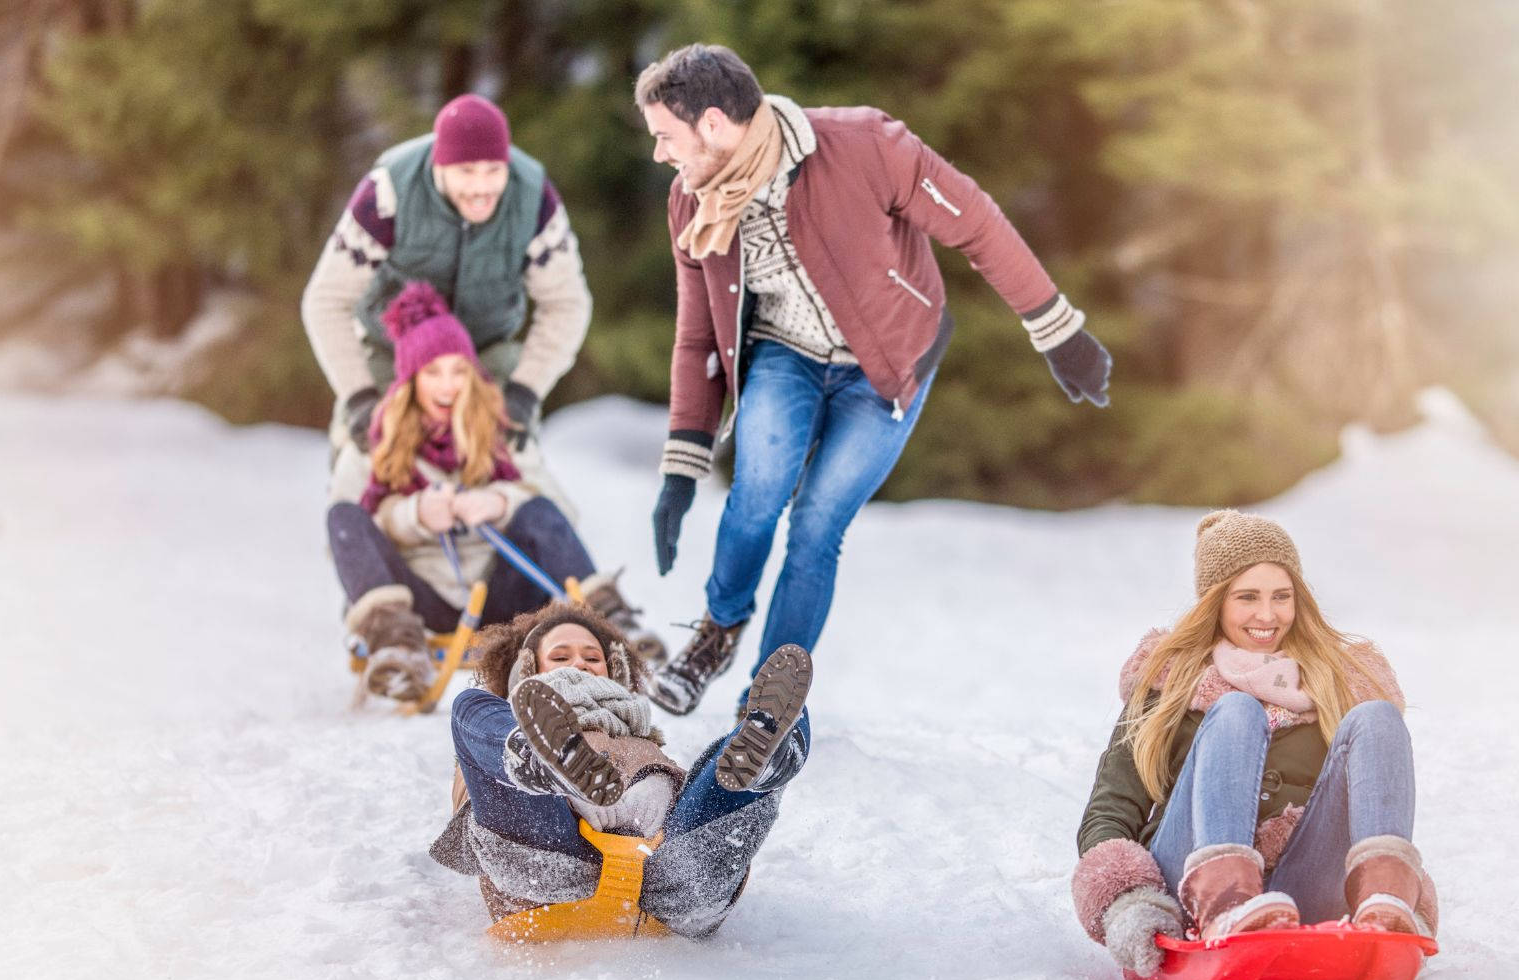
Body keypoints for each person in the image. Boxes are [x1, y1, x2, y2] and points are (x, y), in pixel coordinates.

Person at [633, 43, 1115, 719]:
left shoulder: (864, 145)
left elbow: (976, 224)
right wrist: (683, 462)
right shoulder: (693, 204)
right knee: (756, 496)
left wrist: (1056, 328)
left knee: (817, 526)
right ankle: (717, 630)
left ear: (713, 125)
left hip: (885, 367)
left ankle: (768, 701)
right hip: (783, 354)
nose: (662, 155)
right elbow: (697, 336)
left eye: (665, 137)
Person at [1069, 510, 1437, 976]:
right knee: (1238, 710)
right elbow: (1108, 811)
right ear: (1215, 603)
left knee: (1377, 716)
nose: (1268, 615)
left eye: (1281, 597)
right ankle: (1224, 898)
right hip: (1187, 883)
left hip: (1300, 887)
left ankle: (1385, 898)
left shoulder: (1338, 683)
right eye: (1247, 597)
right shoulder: (1169, 683)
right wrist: (1127, 902)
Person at [329, 282, 655, 702]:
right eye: (433, 373)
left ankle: (615, 627)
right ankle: (396, 644)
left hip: (502, 595)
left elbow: (559, 514)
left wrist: (501, 501)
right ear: (411, 379)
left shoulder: (502, 435)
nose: (447, 387)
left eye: (458, 371)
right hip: (420, 600)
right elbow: (353, 538)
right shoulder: (375, 443)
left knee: (535, 508)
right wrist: (414, 515)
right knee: (341, 515)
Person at [428, 601, 815, 937]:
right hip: (547, 864)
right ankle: (536, 760)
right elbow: (476, 798)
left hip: (670, 878)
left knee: (775, 725)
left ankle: (769, 761)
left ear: (615, 671)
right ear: (527, 671)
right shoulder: (497, 724)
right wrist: (514, 754)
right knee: (469, 705)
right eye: (560, 657)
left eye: (592, 657)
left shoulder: (644, 740)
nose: (579, 662)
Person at [301, 92, 591, 507]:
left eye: (494, 170)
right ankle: (371, 551)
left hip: (484, 352)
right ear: (439, 165)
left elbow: (567, 302)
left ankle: (539, 555)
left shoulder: (533, 199)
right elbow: (325, 299)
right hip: (394, 353)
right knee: (363, 454)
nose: (481, 186)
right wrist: (359, 396)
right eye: (466, 170)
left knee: (511, 453)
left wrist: (526, 391)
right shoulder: (388, 193)